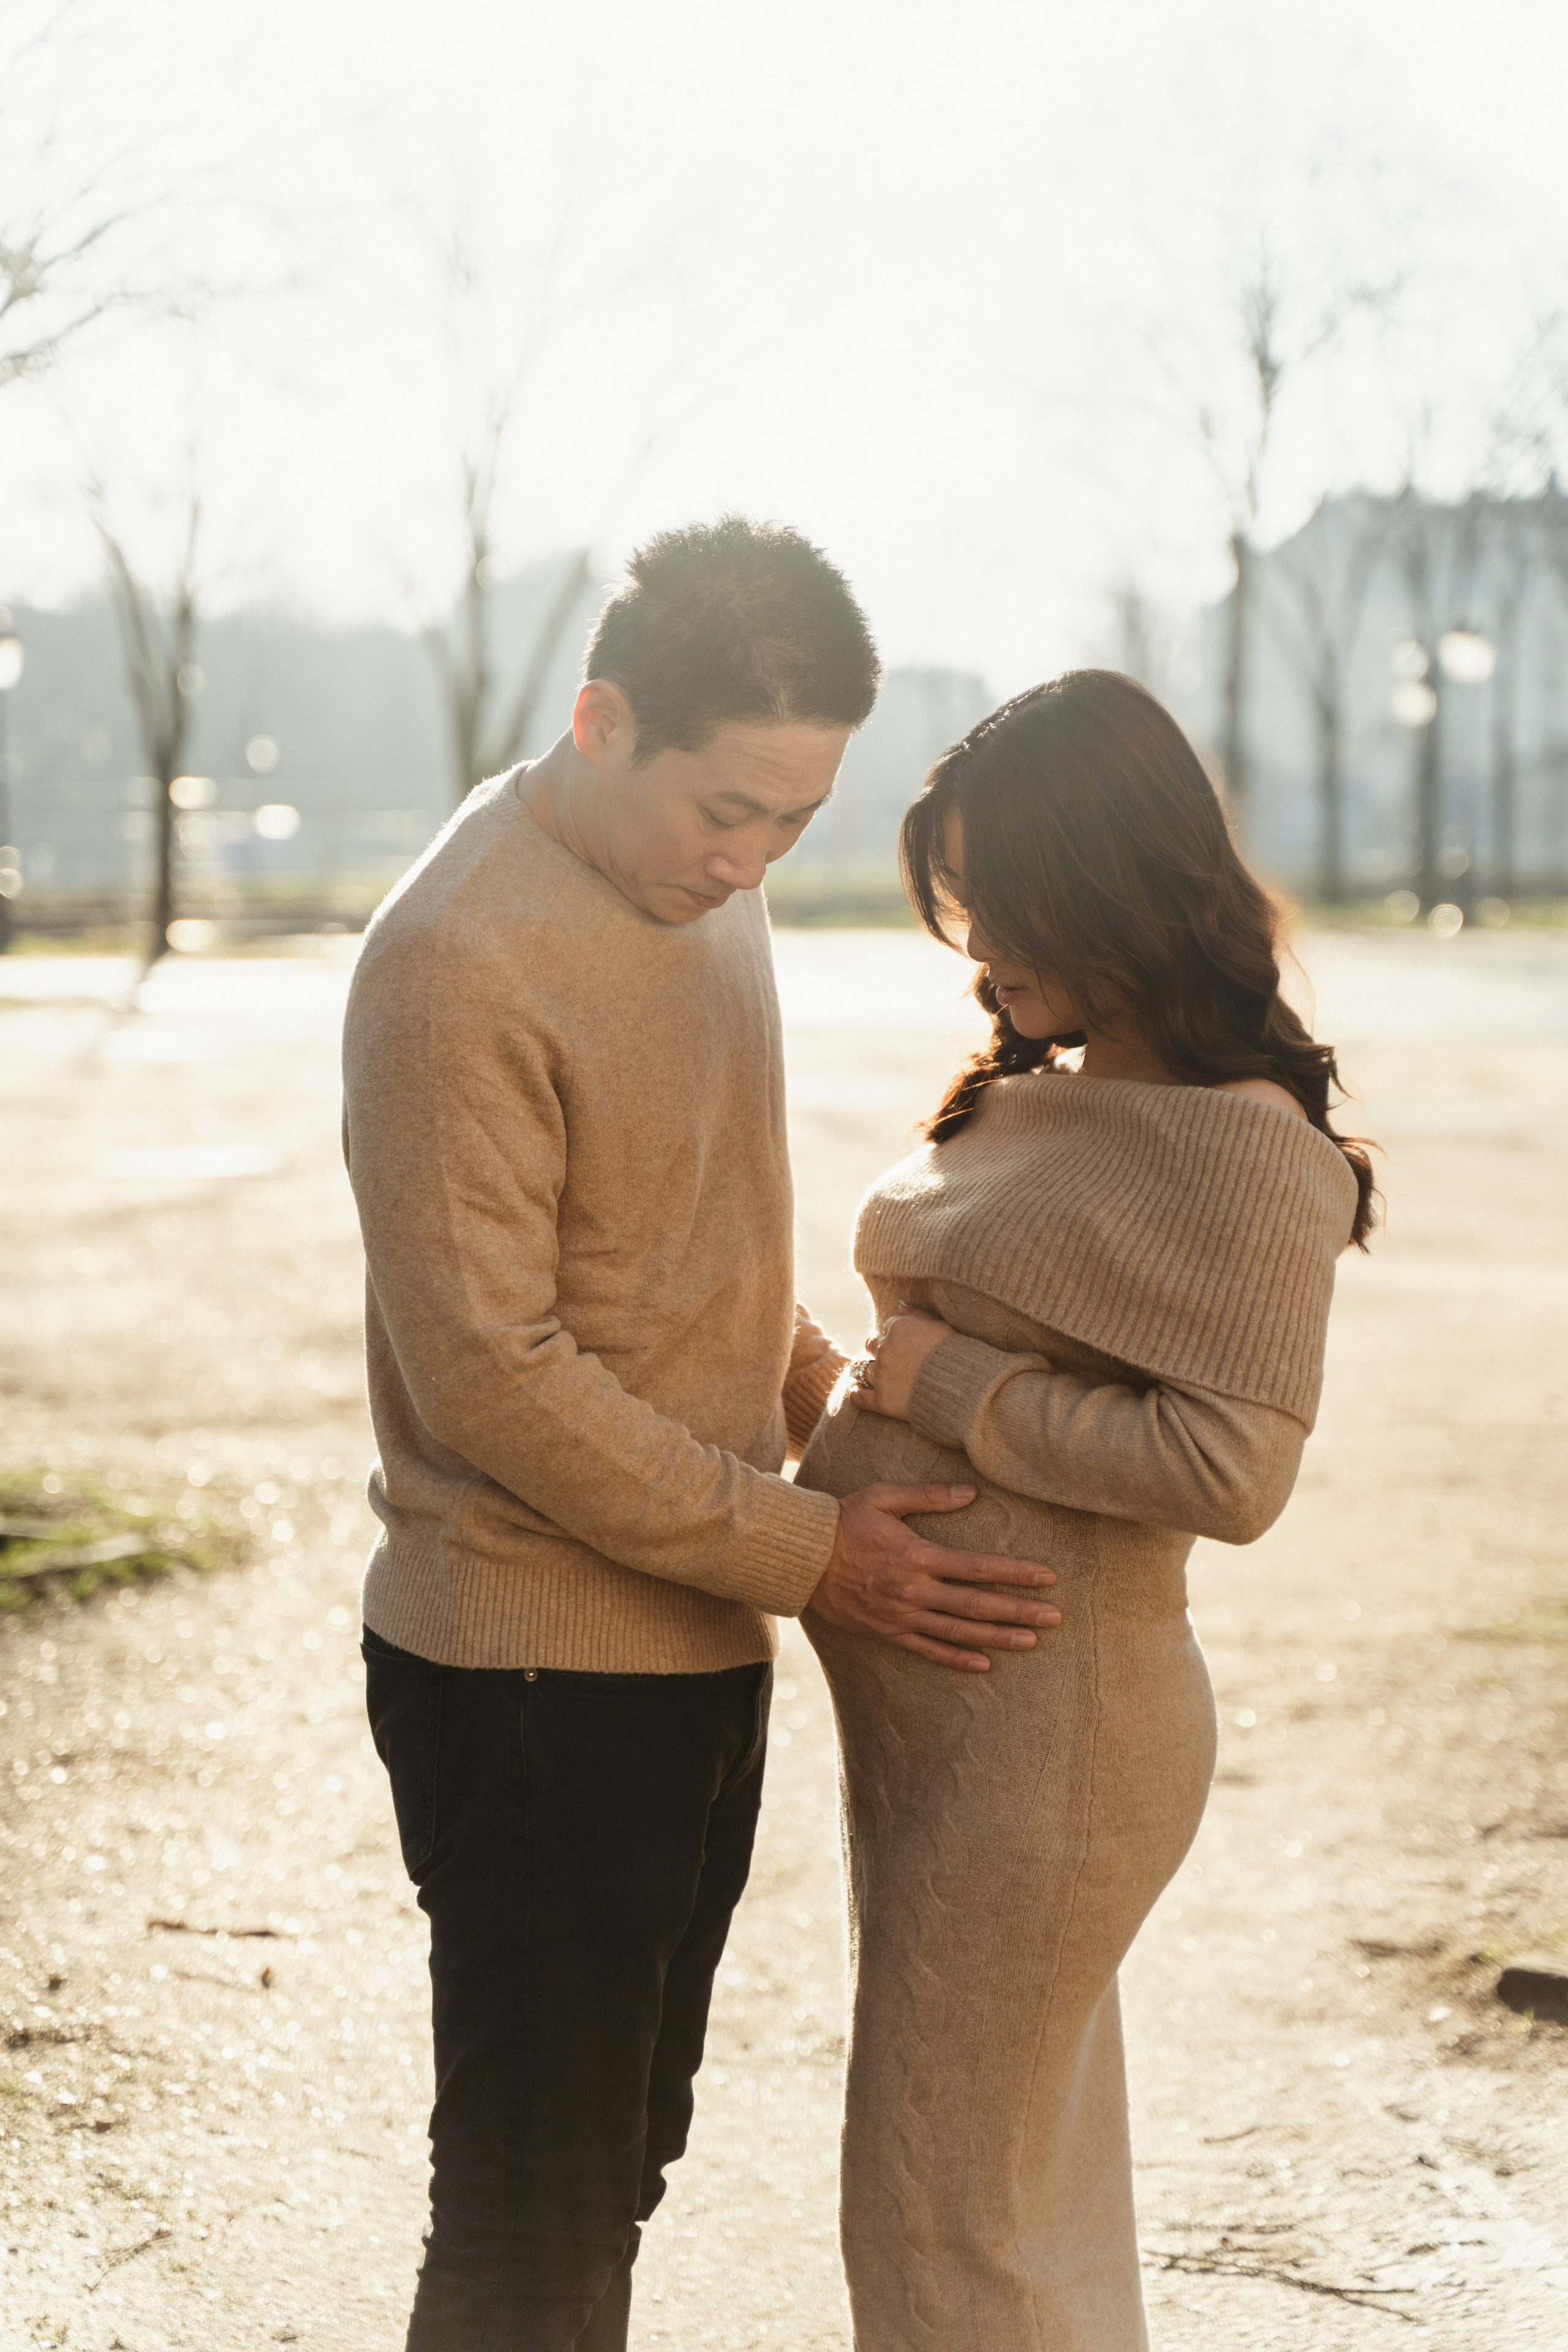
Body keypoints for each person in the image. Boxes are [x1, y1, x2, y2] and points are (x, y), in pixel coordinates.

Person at [340, 517, 1061, 2352]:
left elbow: (687, 1251)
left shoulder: (699, 892)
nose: (747, 862)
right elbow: (492, 1372)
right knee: (531, 2217)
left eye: (792, 824)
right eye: (725, 810)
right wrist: (820, 1553)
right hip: (527, 1671)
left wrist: (836, 1396)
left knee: (618, 2172)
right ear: (601, 721)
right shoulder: (457, 962)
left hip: (689, 1640)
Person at [798, 669, 1376, 2352]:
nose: (982, 949)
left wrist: (946, 1389)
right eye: (963, 904)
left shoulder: (1247, 1146)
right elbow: (903, 1356)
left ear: (1117, 881)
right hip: (955, 1732)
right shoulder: (1037, 1080)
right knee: (1012, 2204)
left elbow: (1229, 1472)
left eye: (1010, 902)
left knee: (943, 2212)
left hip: (1056, 1741)